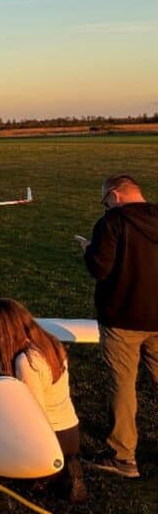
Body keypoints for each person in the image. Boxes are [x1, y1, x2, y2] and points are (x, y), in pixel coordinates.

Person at [79, 174, 158, 479]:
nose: (105, 207)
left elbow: (100, 268)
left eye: (105, 201)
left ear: (115, 195)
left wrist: (88, 249)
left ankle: (123, 456)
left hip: (122, 320)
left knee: (123, 386)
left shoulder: (111, 222)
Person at [0, 298, 87, 503]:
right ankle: (64, 466)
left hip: (50, 439)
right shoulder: (52, 344)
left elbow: (34, 414)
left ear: (6, 330)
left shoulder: (26, 361)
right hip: (71, 431)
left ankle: (54, 477)